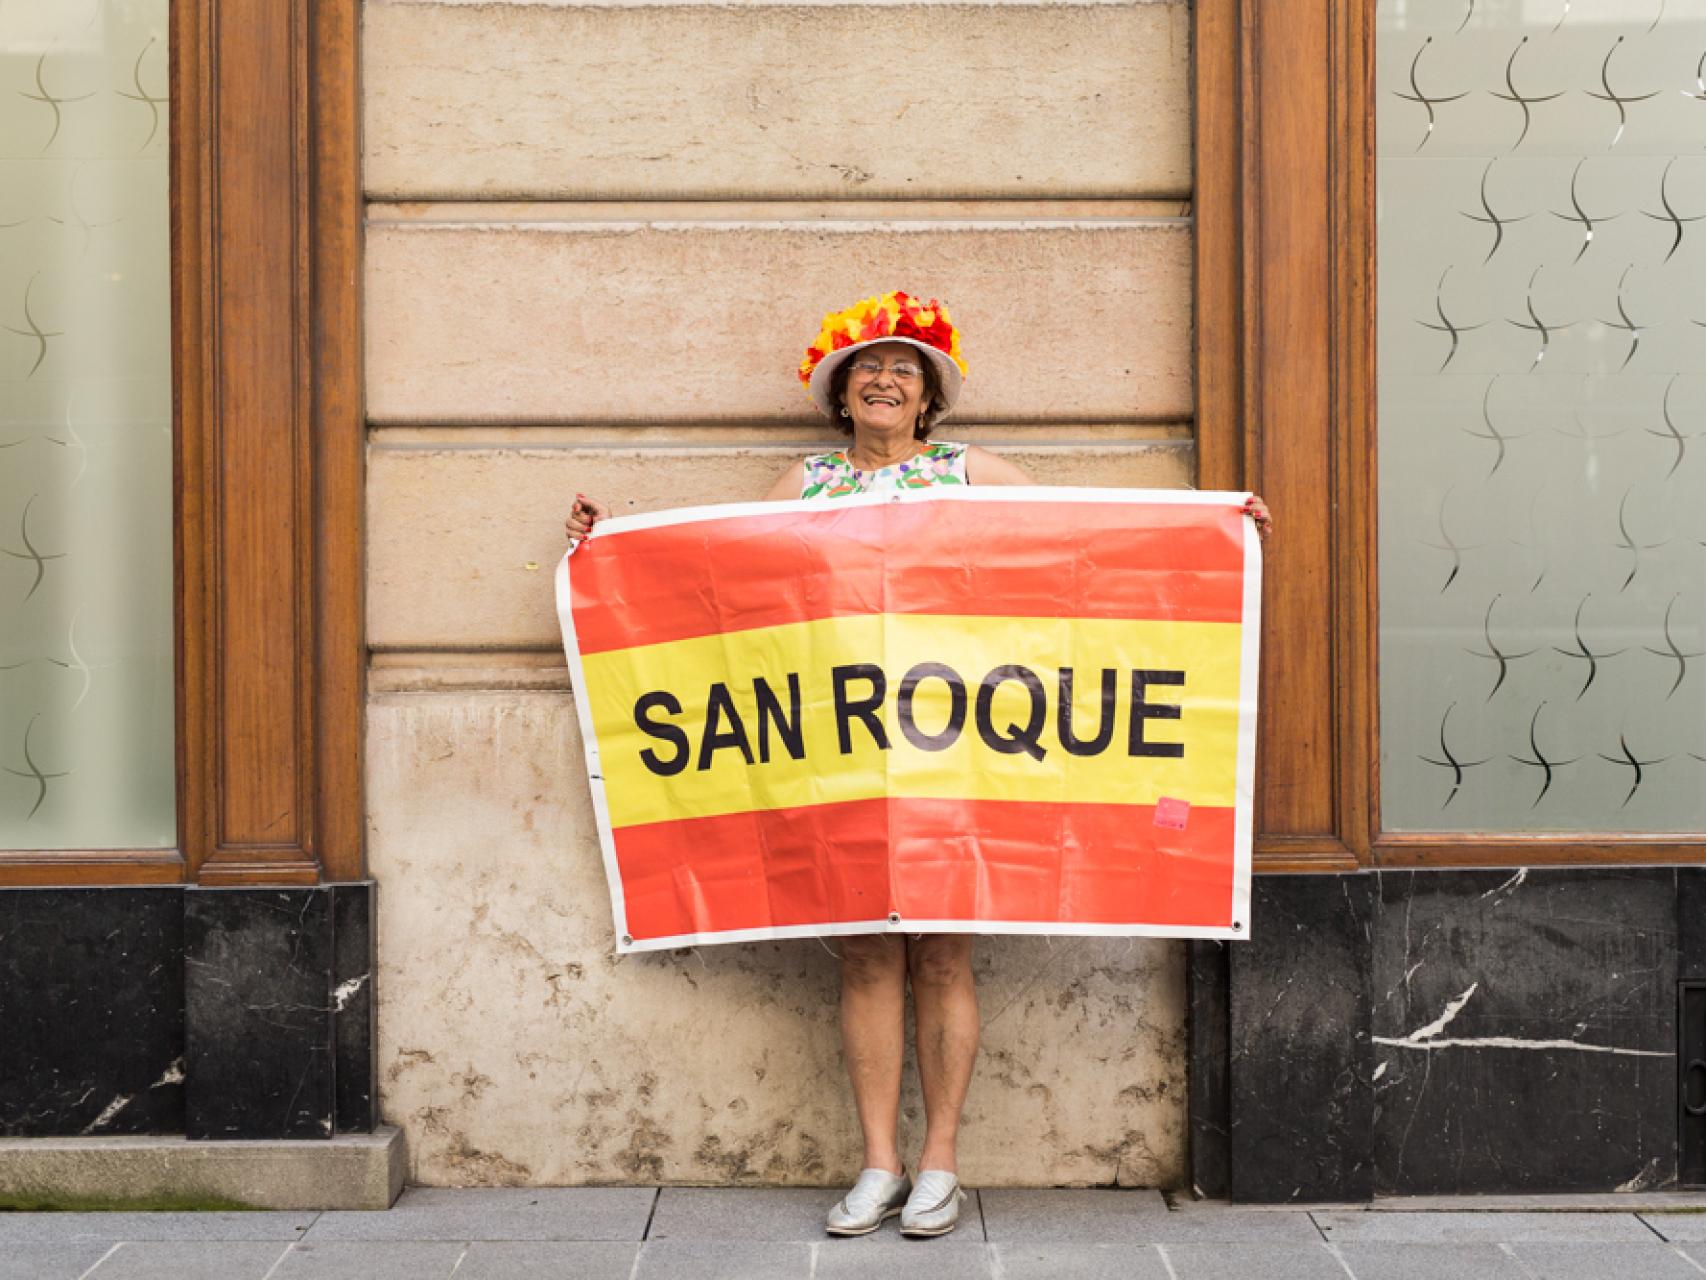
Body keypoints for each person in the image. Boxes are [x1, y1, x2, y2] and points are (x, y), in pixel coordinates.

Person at [564, 291, 1272, 1239]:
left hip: (956, 758)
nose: (885, 379)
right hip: (847, 764)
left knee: (942, 952)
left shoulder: (970, 472)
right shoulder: (803, 483)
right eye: (869, 367)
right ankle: (878, 1164)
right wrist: (611, 542)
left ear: (929, 396)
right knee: (865, 952)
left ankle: (940, 1162)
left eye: (905, 368)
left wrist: (1213, 530)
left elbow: (1082, 550)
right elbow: (715, 578)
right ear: (841, 392)